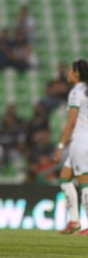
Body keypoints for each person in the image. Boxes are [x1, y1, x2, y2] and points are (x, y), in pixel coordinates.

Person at [52, 59, 88, 235]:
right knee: (65, 177)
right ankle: (74, 221)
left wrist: (60, 146)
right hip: (83, 140)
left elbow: (71, 122)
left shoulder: (76, 92)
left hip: (81, 141)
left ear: (77, 74)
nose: (68, 73)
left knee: (84, 181)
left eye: (70, 70)